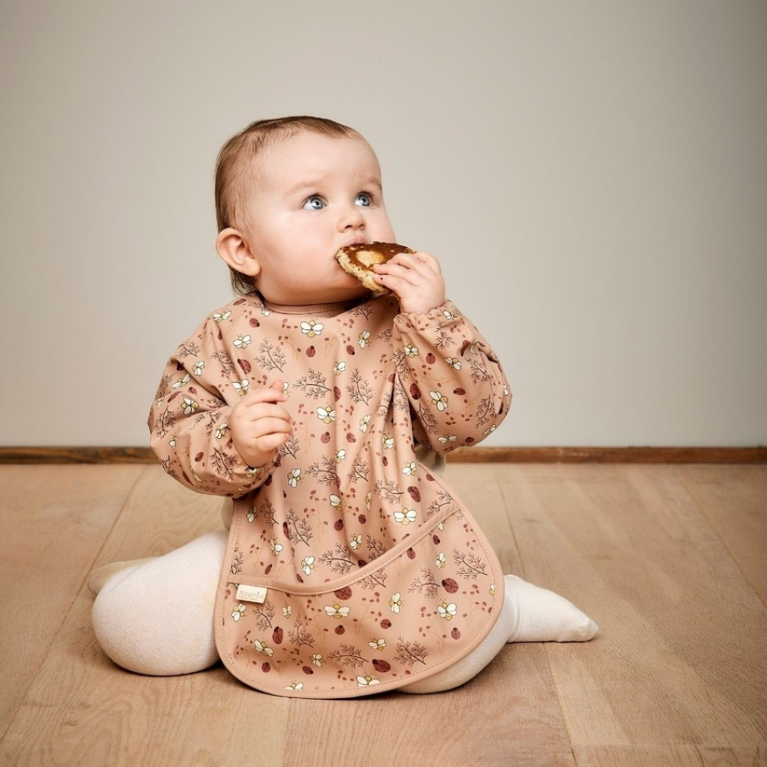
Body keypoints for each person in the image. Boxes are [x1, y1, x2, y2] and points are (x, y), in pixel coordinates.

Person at [90, 116, 597, 695]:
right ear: (244, 250)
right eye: (314, 201)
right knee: (131, 630)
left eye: (366, 195)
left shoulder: (409, 321)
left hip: (399, 549)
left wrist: (434, 319)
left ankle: (505, 609)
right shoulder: (225, 337)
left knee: (442, 669)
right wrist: (233, 438)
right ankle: (158, 582)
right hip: (266, 546)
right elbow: (174, 429)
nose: (353, 216)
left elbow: (472, 419)